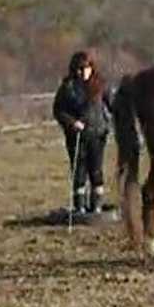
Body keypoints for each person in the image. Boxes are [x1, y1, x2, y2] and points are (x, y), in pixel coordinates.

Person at [52, 50, 112, 214]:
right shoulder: (67, 87)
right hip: (76, 137)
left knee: (96, 170)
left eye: (85, 68)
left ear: (91, 68)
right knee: (79, 171)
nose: (82, 72)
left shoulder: (101, 85)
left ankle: (97, 205)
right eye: (79, 69)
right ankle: (80, 206)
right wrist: (72, 123)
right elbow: (58, 110)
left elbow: (111, 105)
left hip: (98, 134)